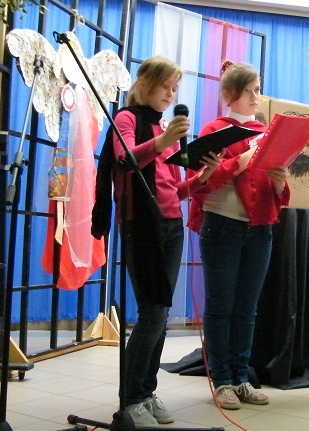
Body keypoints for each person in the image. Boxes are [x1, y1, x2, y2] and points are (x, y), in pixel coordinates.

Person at [92, 56, 223, 426]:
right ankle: (132, 398)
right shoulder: (127, 119)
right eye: (166, 85)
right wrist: (165, 140)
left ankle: (146, 392)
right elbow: (125, 159)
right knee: (151, 313)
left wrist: (202, 176)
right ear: (146, 83)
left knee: (160, 315)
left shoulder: (162, 128)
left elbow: (173, 190)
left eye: (175, 88)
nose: (170, 93)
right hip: (141, 225)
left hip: (171, 225)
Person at [187, 60, 290, 410]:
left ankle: (242, 376)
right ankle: (222, 380)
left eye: (258, 90)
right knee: (220, 307)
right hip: (222, 225)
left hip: (259, 228)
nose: (256, 97)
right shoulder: (214, 130)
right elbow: (203, 182)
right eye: (249, 91)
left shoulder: (265, 131)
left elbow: (279, 192)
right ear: (230, 95)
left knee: (247, 308)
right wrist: (244, 159)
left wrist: (279, 181)